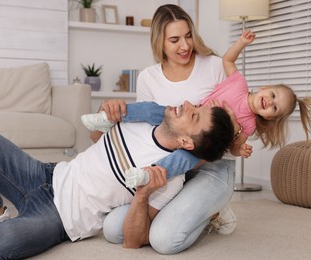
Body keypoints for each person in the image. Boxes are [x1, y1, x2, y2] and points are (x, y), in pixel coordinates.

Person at [0, 101, 234, 259]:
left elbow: (133, 240)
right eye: (196, 106)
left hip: (60, 218)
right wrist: (104, 112)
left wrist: (142, 195)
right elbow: (97, 141)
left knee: (4, 245)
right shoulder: (139, 119)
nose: (187, 105)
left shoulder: (168, 179)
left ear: (187, 141)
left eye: (194, 115)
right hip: (45, 174)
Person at [81, 30, 311, 187]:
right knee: (152, 110)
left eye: (274, 108)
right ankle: (110, 118)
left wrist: (240, 148)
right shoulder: (239, 82)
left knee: (182, 161)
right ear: (266, 87)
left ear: (269, 117)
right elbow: (228, 61)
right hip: (188, 120)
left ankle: (146, 174)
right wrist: (241, 43)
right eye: (272, 96)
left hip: (202, 147)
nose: (269, 103)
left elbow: (232, 147)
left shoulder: (250, 123)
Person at [94, 4, 238, 254]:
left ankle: (210, 212)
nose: (185, 46)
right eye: (174, 40)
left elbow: (236, 125)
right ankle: (186, 209)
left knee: (163, 240)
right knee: (113, 229)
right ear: (160, 42)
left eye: (188, 36)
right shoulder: (148, 78)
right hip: (170, 169)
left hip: (212, 165)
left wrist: (232, 124)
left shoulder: (215, 66)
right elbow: (147, 132)